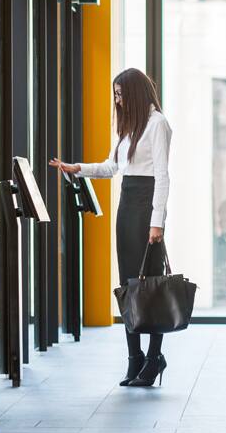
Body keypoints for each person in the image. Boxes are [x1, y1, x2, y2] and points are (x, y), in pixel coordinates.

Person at [50, 68, 172, 388]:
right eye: (114, 95)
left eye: (120, 94)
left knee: (152, 285)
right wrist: (77, 169)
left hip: (147, 208)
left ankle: (154, 357)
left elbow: (162, 176)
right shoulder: (129, 127)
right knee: (128, 286)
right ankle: (134, 359)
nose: (117, 100)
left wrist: (157, 222)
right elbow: (112, 167)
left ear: (134, 92)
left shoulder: (158, 124)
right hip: (127, 205)